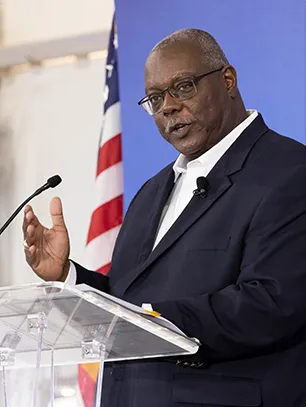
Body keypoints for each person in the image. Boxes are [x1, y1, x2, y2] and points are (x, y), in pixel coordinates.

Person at [23, 28, 306, 407]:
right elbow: (128, 301)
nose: (168, 106)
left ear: (228, 80)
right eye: (155, 99)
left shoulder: (289, 171)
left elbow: (272, 304)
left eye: (183, 87)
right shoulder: (151, 191)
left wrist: (152, 320)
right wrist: (68, 277)